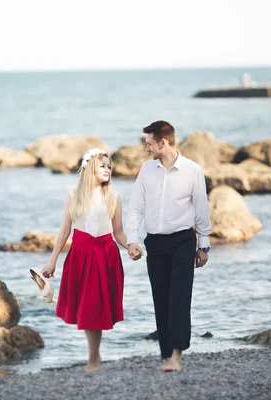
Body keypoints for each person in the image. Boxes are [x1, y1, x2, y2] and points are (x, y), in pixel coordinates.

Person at [126, 120, 212, 372]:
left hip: (183, 242)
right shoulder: (146, 170)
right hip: (155, 244)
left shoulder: (193, 170)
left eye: (149, 143)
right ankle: (166, 354)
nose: (146, 148)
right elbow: (136, 207)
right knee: (160, 299)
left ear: (163, 142)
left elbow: (201, 209)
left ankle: (177, 356)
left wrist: (203, 245)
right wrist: (133, 240)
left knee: (179, 298)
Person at [42, 148, 137, 373]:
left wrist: (131, 246)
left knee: (96, 308)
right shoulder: (73, 196)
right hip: (81, 255)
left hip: (105, 255)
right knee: (86, 308)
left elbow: (119, 232)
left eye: (109, 167)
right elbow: (65, 230)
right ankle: (93, 357)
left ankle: (93, 359)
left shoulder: (113, 197)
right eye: (103, 166)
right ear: (90, 168)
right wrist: (52, 261)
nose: (108, 170)